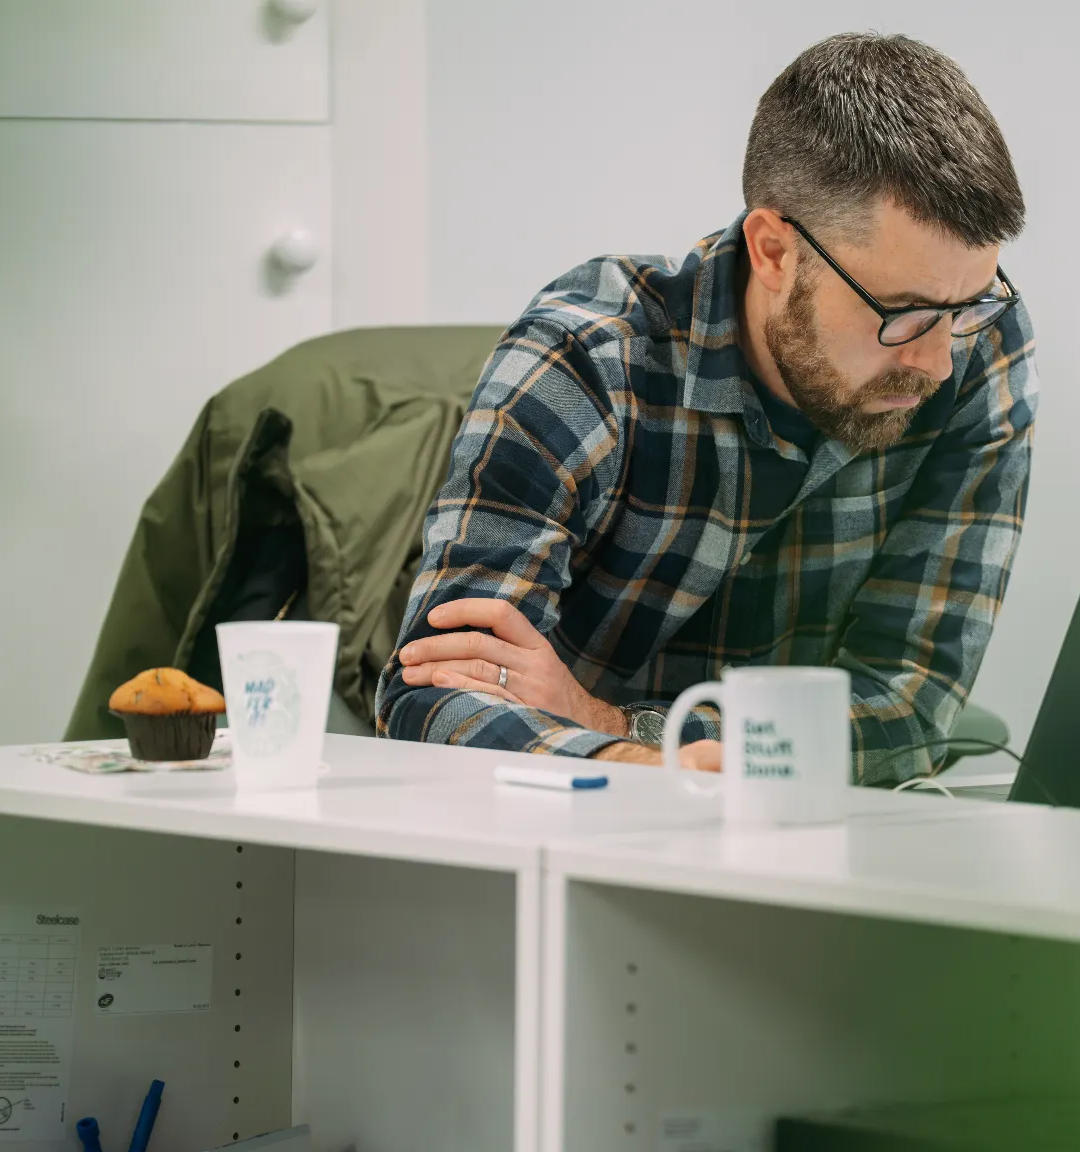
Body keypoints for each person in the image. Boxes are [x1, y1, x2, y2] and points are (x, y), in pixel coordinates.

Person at [376, 33, 1038, 783]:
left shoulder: (981, 348)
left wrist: (621, 727)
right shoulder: (586, 359)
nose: (939, 358)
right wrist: (653, 770)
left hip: (814, 835)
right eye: (905, 312)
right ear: (774, 251)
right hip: (577, 840)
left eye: (967, 305)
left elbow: (909, 710)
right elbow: (430, 698)